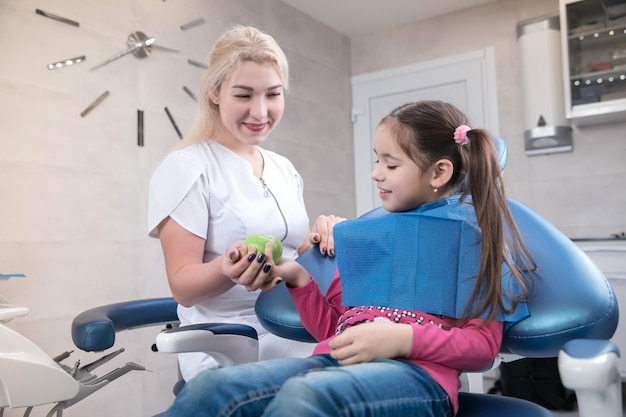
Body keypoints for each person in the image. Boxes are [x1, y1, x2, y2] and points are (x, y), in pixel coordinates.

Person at [163, 100, 536, 417]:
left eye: (391, 165)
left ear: (439, 171)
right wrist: (299, 279)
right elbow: (338, 330)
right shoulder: (367, 238)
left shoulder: (474, 243)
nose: (376, 174)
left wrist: (402, 338)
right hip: (334, 363)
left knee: (305, 398)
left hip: (418, 378)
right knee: (212, 388)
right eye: (377, 161)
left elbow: (482, 348)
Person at [147, 25, 343, 382]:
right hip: (232, 339)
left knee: (379, 360)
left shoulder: (283, 168)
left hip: (300, 319)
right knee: (343, 375)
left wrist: (326, 237)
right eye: (244, 95)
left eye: (273, 94)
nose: (260, 111)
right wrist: (228, 268)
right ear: (215, 93)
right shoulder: (188, 167)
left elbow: (296, 253)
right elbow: (183, 286)